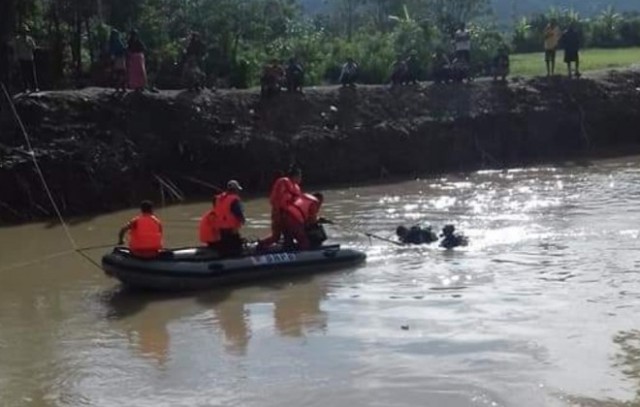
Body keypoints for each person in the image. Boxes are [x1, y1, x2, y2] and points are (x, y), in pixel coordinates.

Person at [258, 167, 303, 251]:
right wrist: (279, 213)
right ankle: (261, 245)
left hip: (289, 216)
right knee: (276, 236)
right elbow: (277, 199)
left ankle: (289, 247)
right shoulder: (283, 182)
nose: (300, 179)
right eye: (300, 176)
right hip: (280, 213)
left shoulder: (296, 187)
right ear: (295, 176)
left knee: (290, 234)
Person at [213, 180, 246, 257]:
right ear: (235, 190)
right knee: (236, 247)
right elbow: (238, 213)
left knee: (225, 245)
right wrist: (243, 220)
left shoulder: (218, 198)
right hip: (231, 228)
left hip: (220, 228)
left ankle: (223, 255)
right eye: (237, 190)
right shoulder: (234, 199)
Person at [13, 26, 38, 93]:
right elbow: (16, 49)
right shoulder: (17, 39)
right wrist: (16, 58)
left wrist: (29, 44)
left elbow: (34, 47)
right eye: (23, 32)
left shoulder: (30, 39)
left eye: (26, 32)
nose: (24, 33)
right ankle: (26, 88)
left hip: (29, 58)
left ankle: (34, 87)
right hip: (22, 58)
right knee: (24, 74)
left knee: (32, 73)